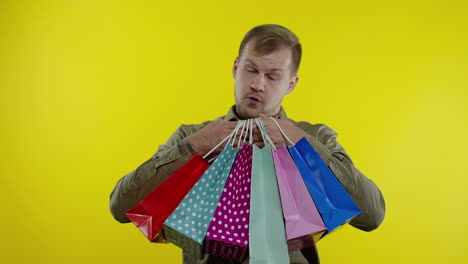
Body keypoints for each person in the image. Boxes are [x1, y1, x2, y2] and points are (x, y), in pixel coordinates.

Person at [110, 24, 386, 264]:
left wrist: (304, 146)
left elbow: (372, 217)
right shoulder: (192, 136)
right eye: (250, 69)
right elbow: (121, 208)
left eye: (272, 76)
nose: (257, 84)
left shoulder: (315, 137)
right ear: (235, 67)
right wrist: (194, 147)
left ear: (291, 84)